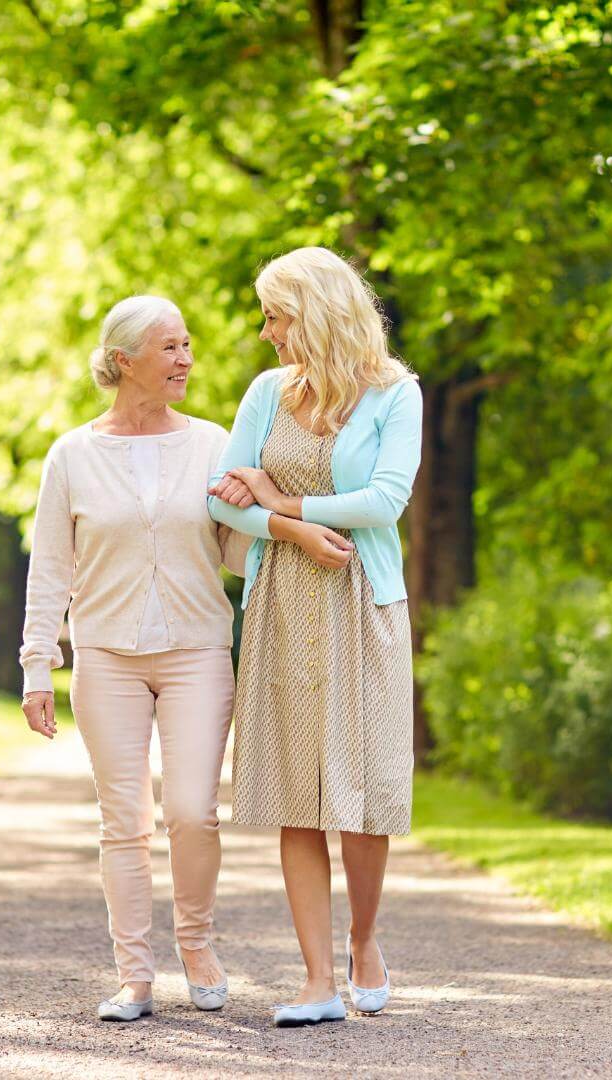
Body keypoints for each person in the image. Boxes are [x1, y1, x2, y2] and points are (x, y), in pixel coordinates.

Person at [19, 295, 250, 1022]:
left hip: (197, 649)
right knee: (124, 821)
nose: (186, 360)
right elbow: (50, 567)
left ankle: (197, 944)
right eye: (170, 348)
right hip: (107, 656)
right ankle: (134, 976)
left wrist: (258, 500)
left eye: (188, 345)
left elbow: (239, 557)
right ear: (124, 362)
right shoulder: (73, 454)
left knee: (191, 811)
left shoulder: (213, 443)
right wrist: (36, 663)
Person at [208, 247, 422, 1028]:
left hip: (365, 604)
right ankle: (316, 980)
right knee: (299, 796)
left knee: (360, 794)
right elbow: (222, 496)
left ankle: (366, 945)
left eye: (276, 315)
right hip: (282, 604)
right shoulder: (268, 392)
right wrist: (282, 528)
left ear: (318, 312)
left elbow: (384, 502)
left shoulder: (397, 395)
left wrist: (280, 500)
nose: (265, 332)